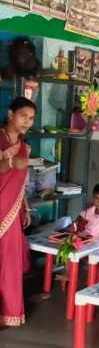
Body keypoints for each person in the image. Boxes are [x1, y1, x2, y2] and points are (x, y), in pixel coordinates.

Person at [0, 97, 36, 326]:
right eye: (24, 116)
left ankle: (8, 314)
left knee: (9, 263)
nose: (27, 122)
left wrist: (25, 207)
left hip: (12, 211)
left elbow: (21, 182)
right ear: (11, 114)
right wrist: (11, 163)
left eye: (31, 118)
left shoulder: (25, 147)